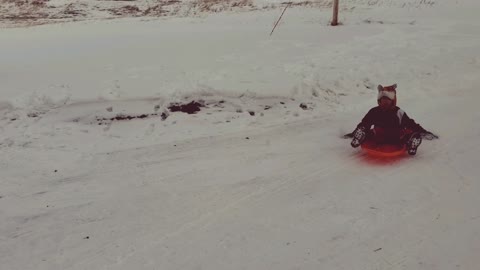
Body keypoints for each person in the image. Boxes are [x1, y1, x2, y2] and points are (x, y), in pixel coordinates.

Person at [350, 84, 427, 155]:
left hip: (392, 139)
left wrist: (423, 131)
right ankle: (360, 136)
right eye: (383, 101)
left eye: (387, 102)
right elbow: (365, 123)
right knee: (365, 130)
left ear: (392, 102)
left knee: (407, 134)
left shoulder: (398, 113)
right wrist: (358, 131)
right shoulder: (375, 111)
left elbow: (411, 124)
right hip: (384, 139)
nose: (385, 103)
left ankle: (412, 140)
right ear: (379, 101)